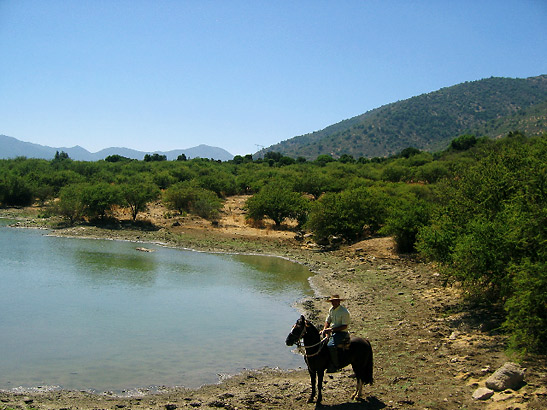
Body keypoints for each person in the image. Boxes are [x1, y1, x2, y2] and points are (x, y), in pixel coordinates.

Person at [321, 294, 350, 373]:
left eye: (336, 301)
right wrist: (325, 329)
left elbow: (344, 326)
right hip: (332, 331)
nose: (334, 303)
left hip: (341, 333)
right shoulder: (331, 310)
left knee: (330, 345)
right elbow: (328, 320)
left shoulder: (344, 312)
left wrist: (331, 329)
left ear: (339, 301)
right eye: (332, 301)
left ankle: (336, 365)